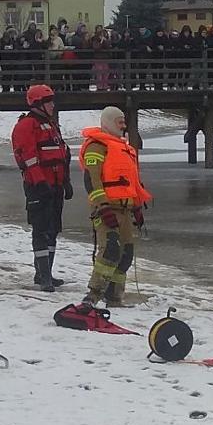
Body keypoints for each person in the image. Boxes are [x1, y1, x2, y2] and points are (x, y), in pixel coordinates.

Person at [79, 106, 150, 308]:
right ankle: (93, 295)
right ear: (109, 122)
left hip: (125, 209)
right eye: (120, 122)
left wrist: (136, 207)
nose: (123, 126)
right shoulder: (96, 147)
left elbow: (131, 182)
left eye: (124, 122)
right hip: (107, 209)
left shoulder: (124, 149)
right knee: (110, 250)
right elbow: (92, 180)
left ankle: (114, 297)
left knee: (126, 254)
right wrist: (102, 207)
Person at [11, 83, 73, 290]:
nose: (53, 105)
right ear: (38, 103)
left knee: (53, 229)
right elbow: (28, 157)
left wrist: (66, 181)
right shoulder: (26, 125)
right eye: (49, 102)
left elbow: (62, 155)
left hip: (55, 185)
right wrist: (39, 182)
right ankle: (43, 276)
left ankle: (46, 273)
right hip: (38, 186)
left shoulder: (51, 125)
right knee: (41, 230)